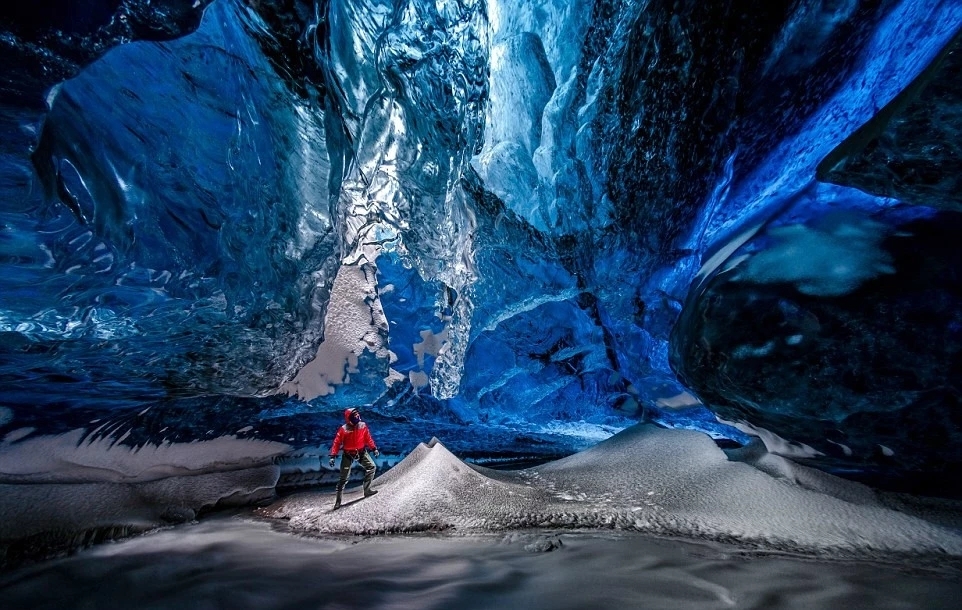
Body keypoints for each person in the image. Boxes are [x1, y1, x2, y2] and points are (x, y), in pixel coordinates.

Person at [329, 407, 380, 509]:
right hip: (348, 454)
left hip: (361, 452)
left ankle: (367, 490)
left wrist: (374, 448)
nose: (357, 416)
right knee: (343, 478)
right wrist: (333, 456)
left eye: (357, 414)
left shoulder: (363, 425)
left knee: (372, 467)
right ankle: (338, 501)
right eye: (355, 415)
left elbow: (368, 438)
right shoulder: (343, 429)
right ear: (349, 417)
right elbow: (337, 443)